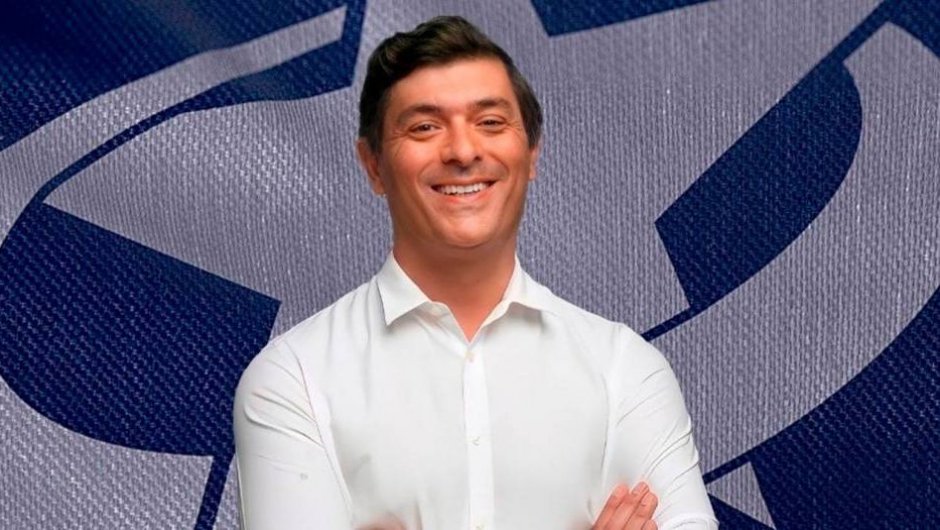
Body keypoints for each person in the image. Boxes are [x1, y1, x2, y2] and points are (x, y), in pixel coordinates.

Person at [234, 16, 717, 530]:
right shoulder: (292, 379)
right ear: (373, 164)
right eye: (424, 127)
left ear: (531, 152)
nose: (463, 152)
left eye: (490, 122)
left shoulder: (626, 370)